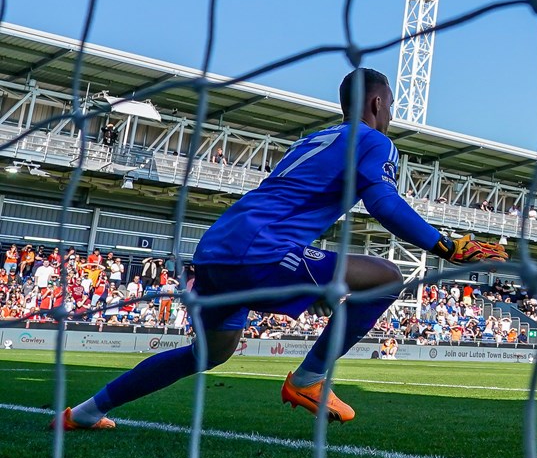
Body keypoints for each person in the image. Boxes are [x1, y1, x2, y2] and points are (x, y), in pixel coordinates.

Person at [57, 68, 508, 430]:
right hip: (262, 248)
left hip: (216, 249)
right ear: (376, 103)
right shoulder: (374, 140)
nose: (390, 112)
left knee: (208, 354)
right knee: (387, 277)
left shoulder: (313, 139)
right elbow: (384, 203)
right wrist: (446, 245)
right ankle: (310, 380)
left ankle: (84, 413)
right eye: (389, 104)